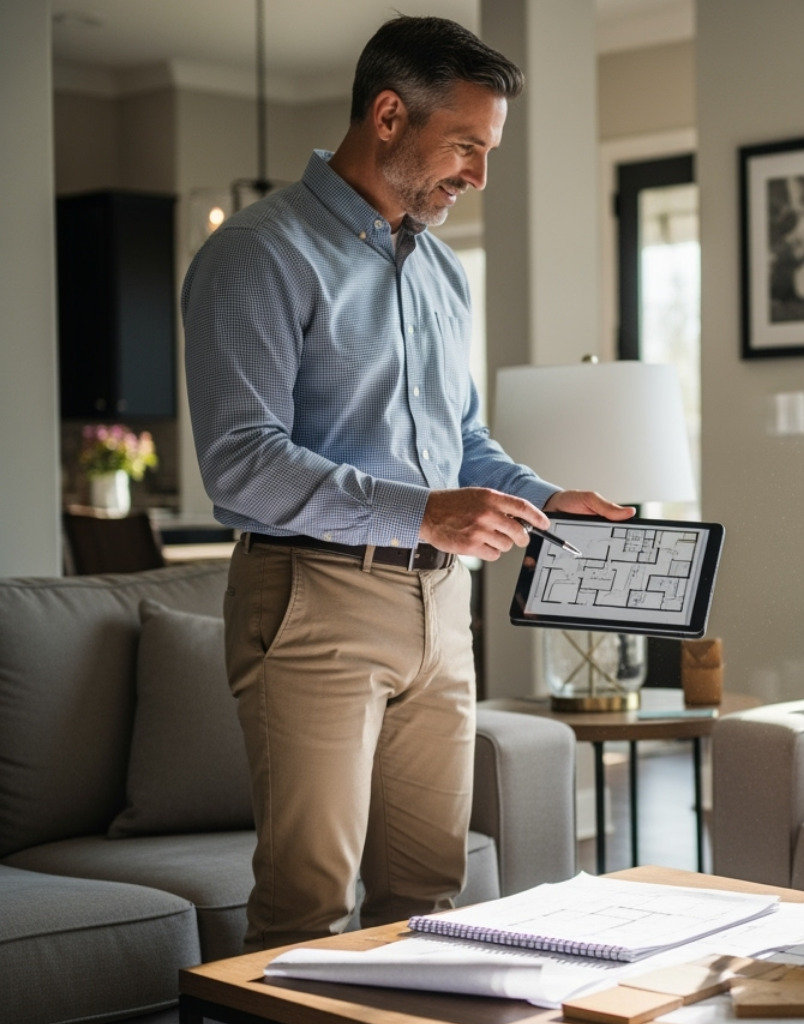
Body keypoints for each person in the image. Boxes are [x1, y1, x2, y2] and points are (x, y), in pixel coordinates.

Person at [182, 16, 632, 951]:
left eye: (487, 150)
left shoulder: (440, 270)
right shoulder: (259, 253)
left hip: (441, 604)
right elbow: (240, 459)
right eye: (465, 145)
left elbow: (458, 438)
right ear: (389, 115)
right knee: (310, 901)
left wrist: (544, 498)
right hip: (314, 597)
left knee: (432, 894)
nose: (476, 175)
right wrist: (422, 510)